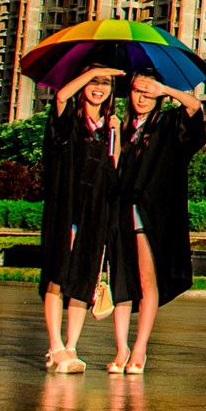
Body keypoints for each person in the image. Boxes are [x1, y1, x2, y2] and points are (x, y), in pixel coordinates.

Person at [105, 71, 202, 375]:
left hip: (152, 214)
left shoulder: (168, 124)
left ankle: (139, 349)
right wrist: (115, 138)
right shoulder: (120, 126)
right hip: (120, 211)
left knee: (147, 281)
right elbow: (114, 169)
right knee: (121, 279)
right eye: (137, 90)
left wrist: (166, 88)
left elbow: (194, 109)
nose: (142, 97)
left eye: (149, 92)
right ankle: (121, 348)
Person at [38, 67, 121, 374]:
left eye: (106, 83)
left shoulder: (109, 127)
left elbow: (115, 171)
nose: (99, 87)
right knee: (58, 277)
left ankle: (72, 346)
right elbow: (60, 96)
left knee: (83, 281)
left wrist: (118, 133)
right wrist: (92, 71)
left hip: (95, 212)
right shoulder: (69, 122)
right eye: (94, 81)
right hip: (65, 210)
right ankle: (55, 346)